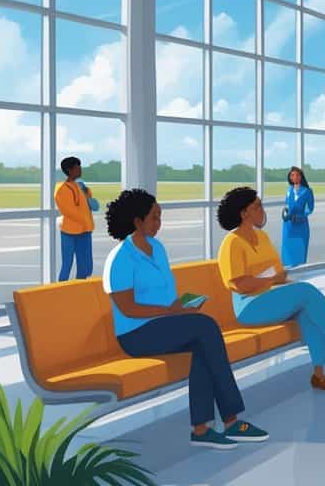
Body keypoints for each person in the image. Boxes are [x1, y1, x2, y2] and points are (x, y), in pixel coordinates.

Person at [103, 188, 268, 449]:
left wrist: (182, 305)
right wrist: (172, 311)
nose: (159, 223)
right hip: (136, 334)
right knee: (205, 328)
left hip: (163, 324)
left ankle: (202, 430)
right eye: (154, 218)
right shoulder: (119, 259)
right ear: (137, 221)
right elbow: (128, 309)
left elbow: (167, 297)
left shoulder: (157, 249)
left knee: (203, 343)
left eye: (160, 217)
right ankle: (231, 420)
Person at [216, 187, 325, 392]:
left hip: (270, 297)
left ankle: (319, 375)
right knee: (307, 292)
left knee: (307, 311)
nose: (262, 210)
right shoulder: (231, 243)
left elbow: (279, 272)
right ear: (244, 214)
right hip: (249, 306)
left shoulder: (263, 238)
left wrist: (278, 280)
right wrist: (271, 280)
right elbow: (239, 285)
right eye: (257, 206)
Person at [55, 156, 96, 281]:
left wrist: (86, 192)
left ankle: (80, 290)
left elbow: (90, 205)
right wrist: (86, 220)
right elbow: (69, 211)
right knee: (67, 264)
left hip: (84, 231)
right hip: (70, 232)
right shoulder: (62, 188)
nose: (80, 170)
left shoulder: (80, 186)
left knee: (85, 266)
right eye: (77, 168)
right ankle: (61, 291)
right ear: (69, 170)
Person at [281, 167, 313, 268]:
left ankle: (300, 271)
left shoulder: (307, 191)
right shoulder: (289, 190)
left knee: (299, 250)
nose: (294, 177)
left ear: (301, 177)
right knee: (287, 250)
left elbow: (310, 208)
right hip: (288, 225)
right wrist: (284, 213)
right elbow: (286, 205)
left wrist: (302, 216)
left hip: (300, 225)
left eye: (297, 175)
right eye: (292, 175)